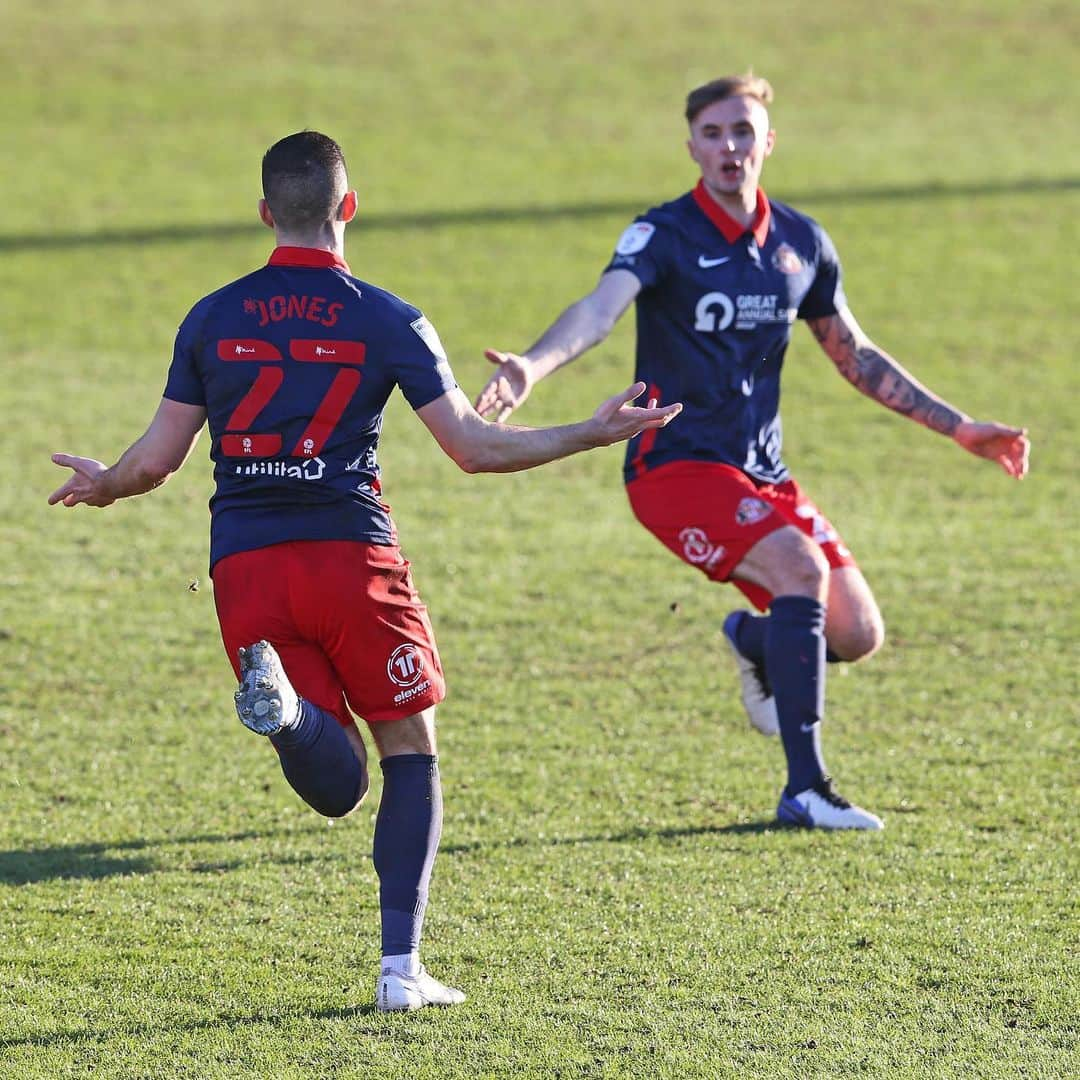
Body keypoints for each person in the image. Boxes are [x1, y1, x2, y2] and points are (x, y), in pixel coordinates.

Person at [48, 131, 681, 1012]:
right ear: (348, 207)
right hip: (351, 555)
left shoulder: (211, 316)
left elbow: (155, 460)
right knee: (408, 751)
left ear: (267, 214)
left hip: (245, 570)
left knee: (334, 775)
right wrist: (589, 430)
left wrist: (104, 486)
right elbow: (472, 447)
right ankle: (399, 972)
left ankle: (291, 712)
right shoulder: (386, 316)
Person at [477, 74, 1029, 831]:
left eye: (743, 131)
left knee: (855, 633)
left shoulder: (801, 243)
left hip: (763, 471)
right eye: (712, 133)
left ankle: (752, 638)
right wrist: (529, 367)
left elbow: (855, 354)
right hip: (674, 466)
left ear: (769, 141)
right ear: (691, 146)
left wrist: (960, 426)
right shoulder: (663, 234)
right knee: (799, 566)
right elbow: (599, 311)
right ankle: (806, 790)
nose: (728, 147)